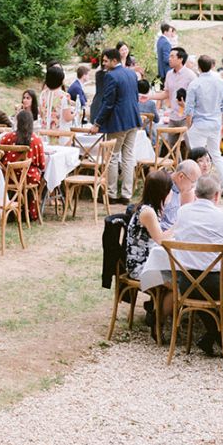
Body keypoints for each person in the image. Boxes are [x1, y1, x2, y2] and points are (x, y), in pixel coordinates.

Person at [163, 173, 223, 358]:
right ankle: (219, 338)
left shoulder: (183, 211)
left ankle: (211, 337)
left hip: (185, 284)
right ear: (217, 195)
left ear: (196, 193)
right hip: (215, 285)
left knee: (207, 296)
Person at [91, 46, 141, 204]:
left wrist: (97, 122)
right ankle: (127, 194)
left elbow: (108, 103)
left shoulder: (111, 76)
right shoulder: (132, 73)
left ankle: (111, 193)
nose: (104, 64)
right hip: (133, 119)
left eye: (106, 61)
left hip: (118, 122)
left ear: (114, 60)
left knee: (112, 157)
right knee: (128, 157)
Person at [185, 54, 223, 196]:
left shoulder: (195, 84)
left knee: (196, 157)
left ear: (199, 67)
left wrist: (189, 125)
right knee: (216, 155)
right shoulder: (220, 82)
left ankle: (196, 187)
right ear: (212, 66)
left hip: (199, 123)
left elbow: (189, 109)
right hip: (215, 123)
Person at [123, 167, 170, 286]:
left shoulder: (151, 208)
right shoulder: (147, 212)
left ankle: (155, 303)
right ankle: (160, 304)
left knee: (181, 274)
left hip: (151, 262)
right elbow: (161, 240)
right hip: (141, 268)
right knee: (180, 279)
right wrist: (180, 223)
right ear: (163, 192)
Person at [0, 109, 47, 215]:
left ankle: (10, 208)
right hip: (28, 177)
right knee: (42, 175)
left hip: (8, 177)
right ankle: (31, 209)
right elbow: (42, 164)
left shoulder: (6, 138)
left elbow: (0, 158)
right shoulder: (36, 140)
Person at [159, 158, 200, 232]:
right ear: (181, 176)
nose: (193, 186)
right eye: (192, 182)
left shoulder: (177, 188)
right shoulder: (164, 188)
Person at [39, 64, 71, 130]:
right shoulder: (64, 96)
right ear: (60, 81)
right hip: (60, 133)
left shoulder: (43, 94)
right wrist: (76, 113)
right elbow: (67, 118)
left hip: (45, 131)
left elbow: (41, 113)